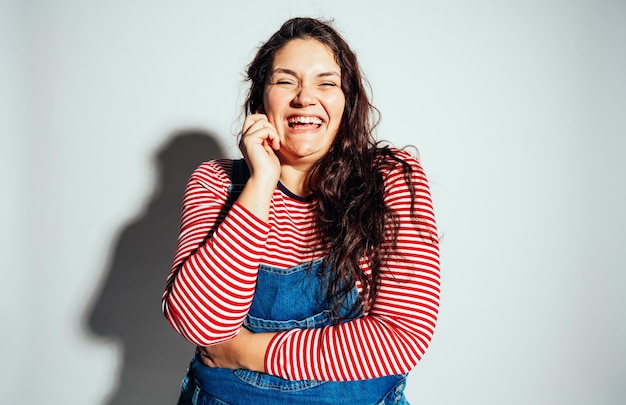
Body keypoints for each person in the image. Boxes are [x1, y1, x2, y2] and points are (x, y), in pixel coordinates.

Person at [162, 17, 440, 405]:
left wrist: (245, 352)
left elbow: (401, 337)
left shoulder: (389, 177)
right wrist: (261, 181)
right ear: (261, 100)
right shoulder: (216, 182)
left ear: (348, 101)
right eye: (285, 80)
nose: (305, 97)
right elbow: (201, 324)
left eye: (326, 82)